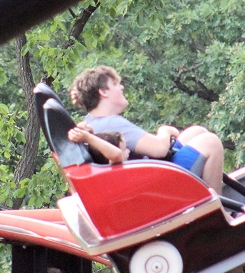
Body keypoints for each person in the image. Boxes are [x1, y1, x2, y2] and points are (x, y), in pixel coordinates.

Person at [68, 66, 225, 194]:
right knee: (211, 142)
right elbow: (159, 150)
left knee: (196, 131)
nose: (121, 87)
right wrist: (164, 130)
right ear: (103, 92)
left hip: (148, 172)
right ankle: (217, 207)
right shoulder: (112, 123)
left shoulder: (91, 122)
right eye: (115, 84)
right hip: (156, 184)